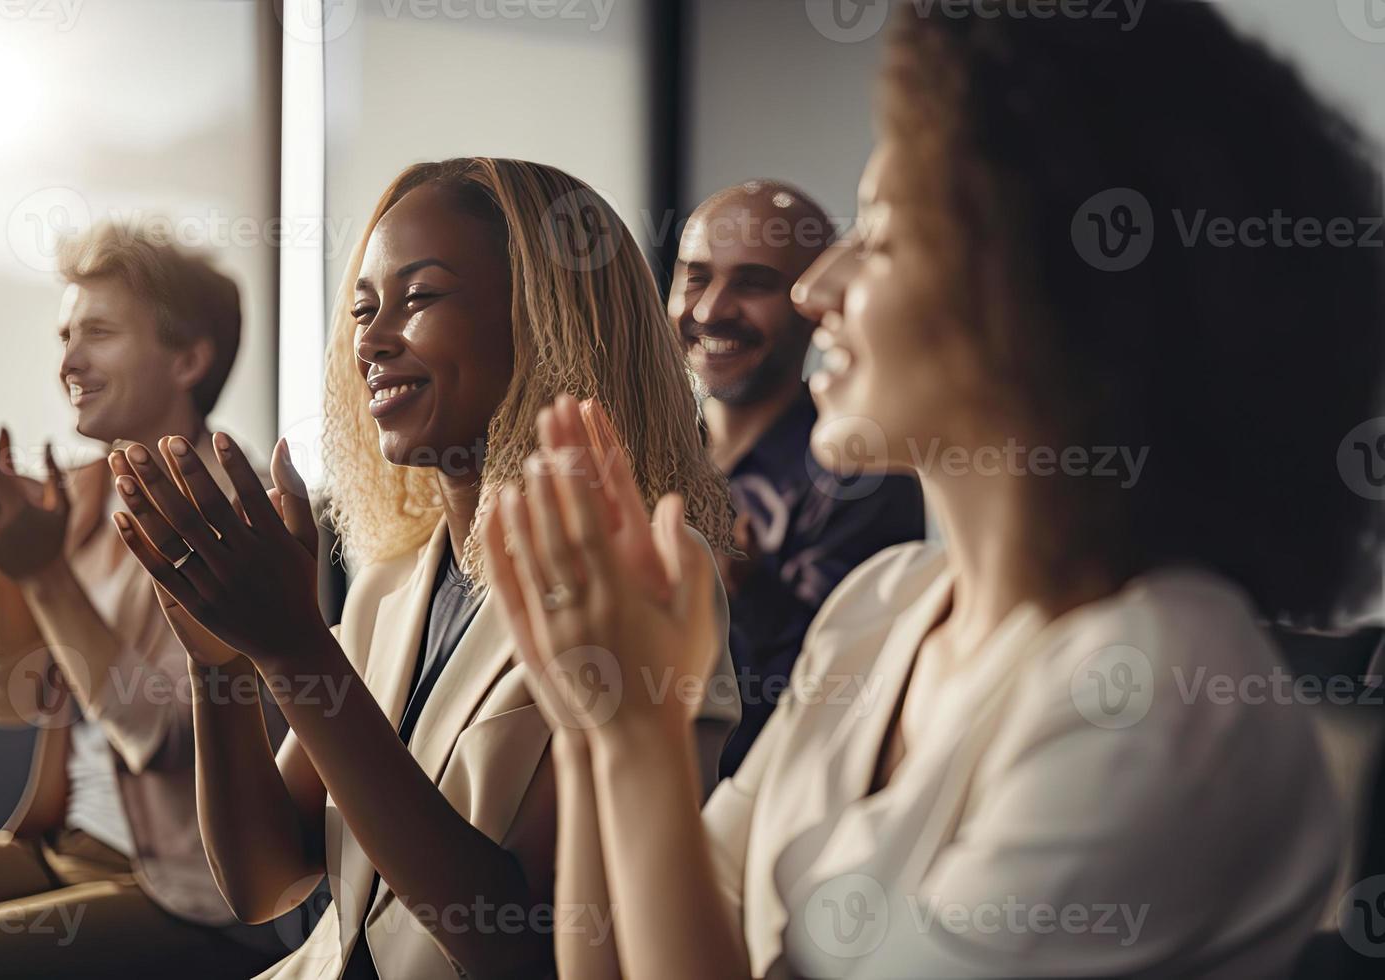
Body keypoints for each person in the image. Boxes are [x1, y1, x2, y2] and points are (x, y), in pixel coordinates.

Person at [483, 2, 1381, 976]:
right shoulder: (882, 605)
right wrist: (590, 723)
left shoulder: (1159, 686)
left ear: (1052, 298)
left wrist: (637, 738)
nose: (813, 286)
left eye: (880, 235)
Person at [108, 158, 741, 979]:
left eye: (421, 297)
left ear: (547, 321)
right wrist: (223, 662)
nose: (369, 340)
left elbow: (519, 947)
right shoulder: (389, 587)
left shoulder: (639, 578)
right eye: (365, 308)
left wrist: (295, 652)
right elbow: (265, 880)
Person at [0, 222, 276, 978]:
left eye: (99, 333)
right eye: (65, 334)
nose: (69, 362)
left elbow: (162, 737)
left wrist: (45, 575)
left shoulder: (238, 517)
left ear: (189, 358)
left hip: (185, 895)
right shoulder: (79, 497)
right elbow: (8, 702)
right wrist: (10, 575)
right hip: (62, 846)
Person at [670, 181, 924, 775]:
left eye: (754, 283)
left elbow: (833, 708)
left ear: (810, 307)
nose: (710, 310)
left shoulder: (862, 471)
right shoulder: (638, 452)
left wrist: (741, 597)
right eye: (696, 276)